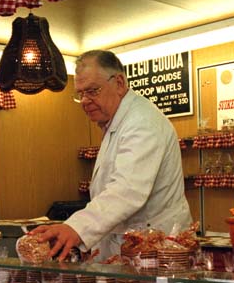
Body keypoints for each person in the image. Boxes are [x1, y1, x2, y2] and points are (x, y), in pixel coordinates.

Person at [33, 50, 192, 260]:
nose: (85, 100)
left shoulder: (142, 122)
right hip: (130, 247)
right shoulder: (117, 122)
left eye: (92, 91)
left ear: (119, 83)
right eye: (80, 93)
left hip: (157, 249)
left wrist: (76, 228)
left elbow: (128, 190)